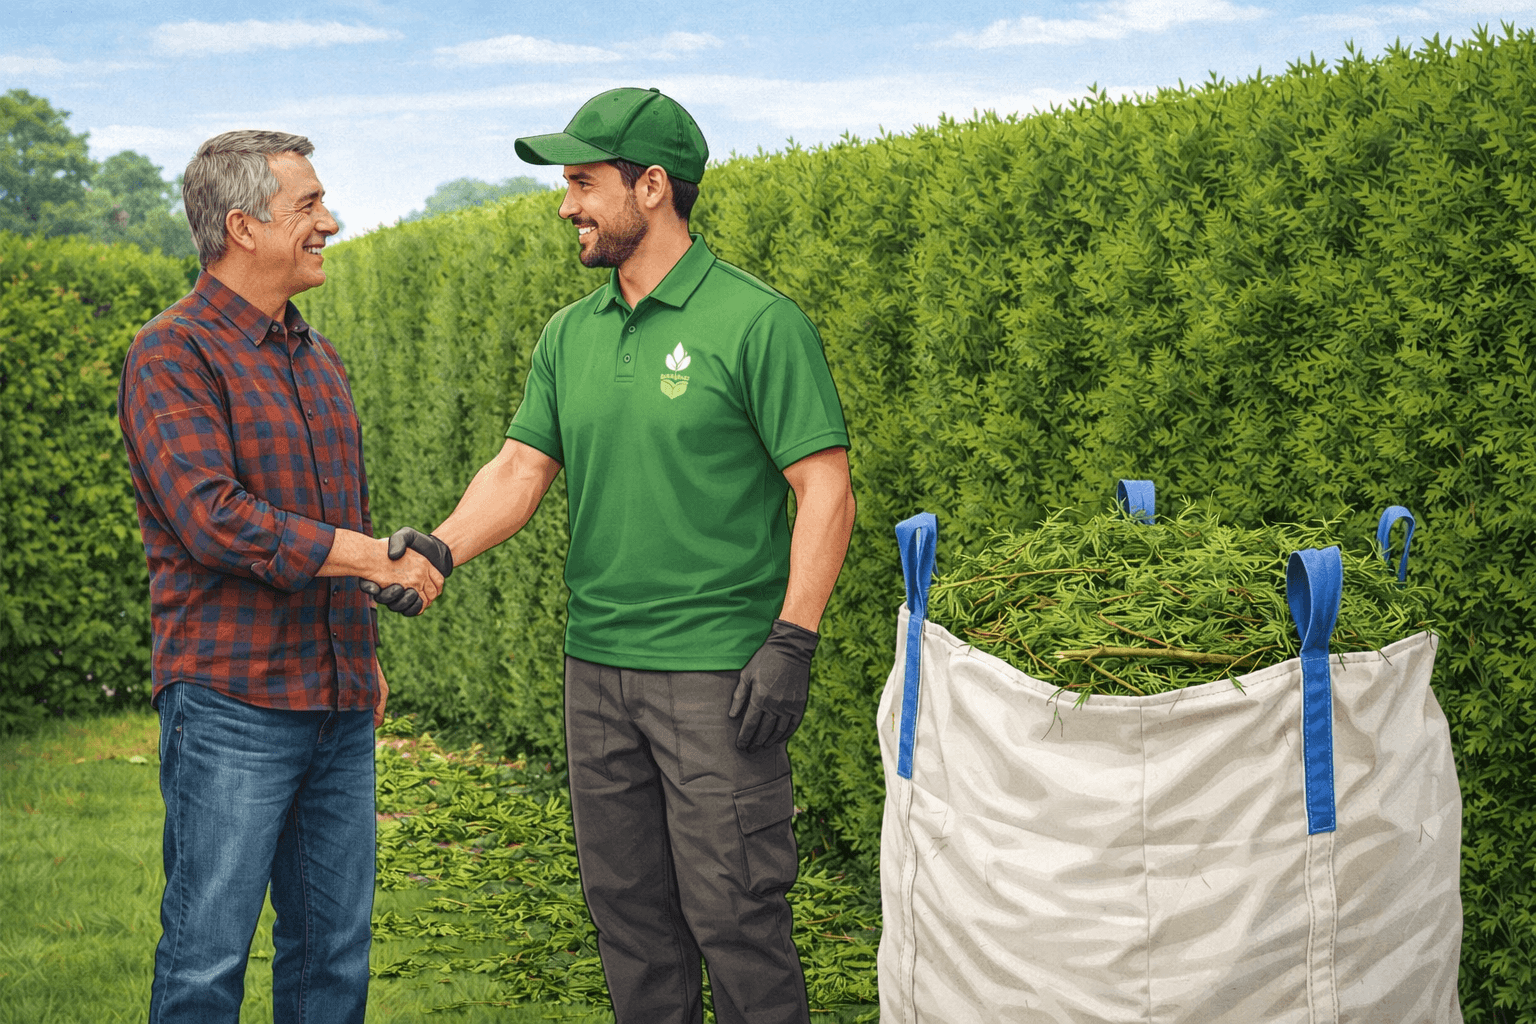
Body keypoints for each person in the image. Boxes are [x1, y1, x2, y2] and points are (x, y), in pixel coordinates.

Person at [381, 87, 857, 1024]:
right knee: (629, 918)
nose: (567, 205)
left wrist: (792, 640)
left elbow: (826, 487)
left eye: (584, 183)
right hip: (596, 672)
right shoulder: (572, 334)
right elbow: (520, 467)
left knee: (736, 917)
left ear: (651, 187)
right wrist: (442, 547)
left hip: (717, 676)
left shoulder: (757, 323)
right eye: (566, 184)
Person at [117, 130, 444, 1023]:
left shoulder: (320, 360)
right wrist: (374, 555)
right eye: (307, 206)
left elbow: (331, 517)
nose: (329, 223)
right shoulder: (171, 354)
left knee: (333, 958)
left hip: (335, 702)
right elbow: (213, 518)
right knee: (205, 956)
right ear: (241, 226)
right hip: (231, 704)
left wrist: (364, 657)